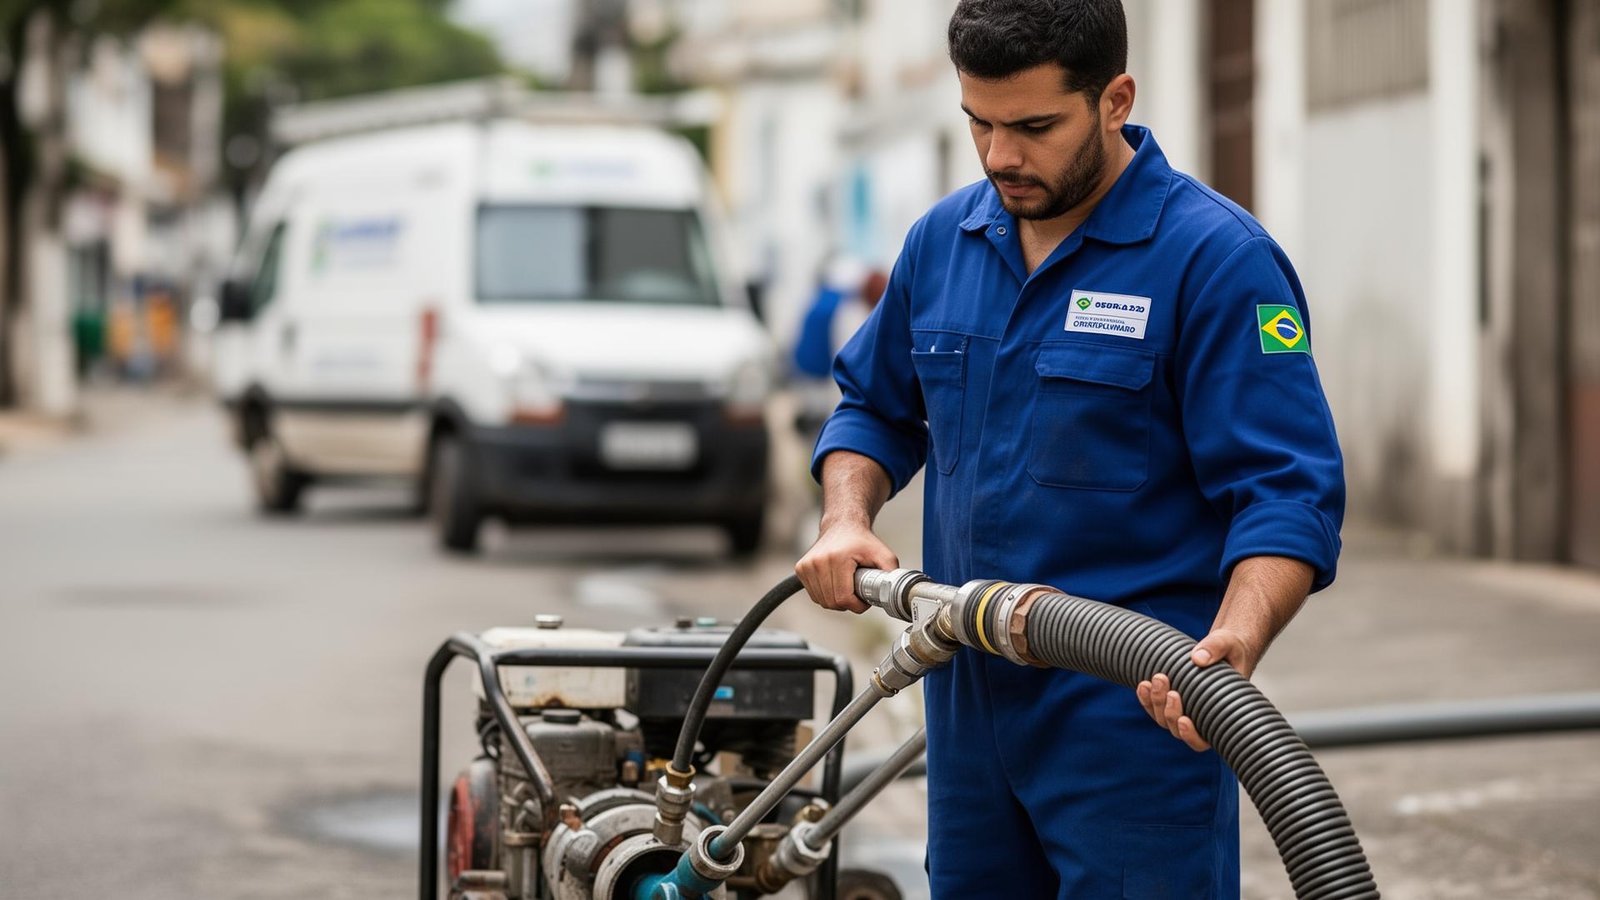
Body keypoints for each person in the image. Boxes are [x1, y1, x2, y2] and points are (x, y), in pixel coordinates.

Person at [794, 1, 1345, 896]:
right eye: (978, 122)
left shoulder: (1216, 261)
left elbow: (1287, 494)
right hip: (967, 705)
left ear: (1115, 98)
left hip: (1134, 720)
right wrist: (846, 517)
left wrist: (1233, 647)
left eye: (1033, 126)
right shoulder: (945, 241)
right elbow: (873, 406)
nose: (1000, 155)